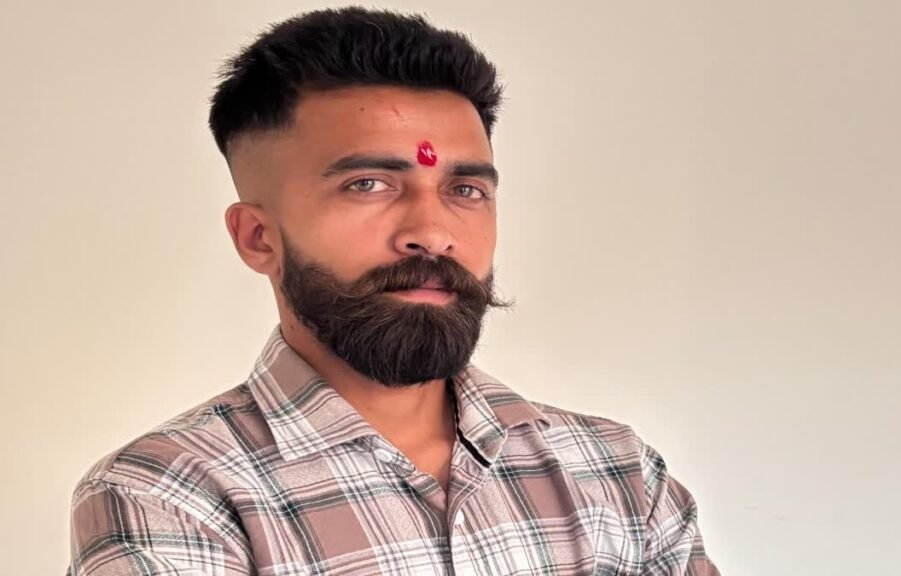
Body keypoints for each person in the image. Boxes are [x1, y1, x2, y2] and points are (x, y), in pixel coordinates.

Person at [65, 7, 719, 575]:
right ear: (259, 237)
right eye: (369, 185)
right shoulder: (169, 496)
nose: (432, 233)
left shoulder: (616, 472)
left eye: (465, 190)